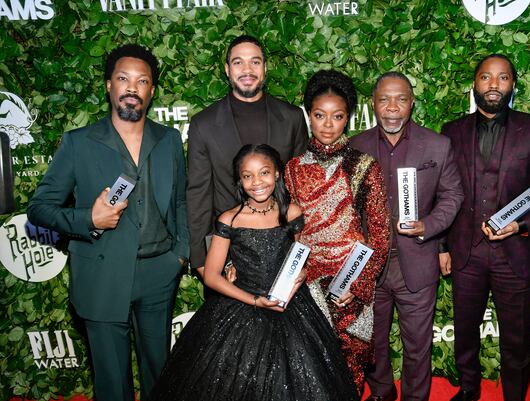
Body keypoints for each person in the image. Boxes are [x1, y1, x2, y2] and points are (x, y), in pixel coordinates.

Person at [27, 44, 189, 401]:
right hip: (101, 275)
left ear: (151, 90)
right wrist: (89, 218)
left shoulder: (169, 140)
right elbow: (39, 208)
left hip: (159, 272)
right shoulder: (78, 143)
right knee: (112, 384)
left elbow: (179, 202)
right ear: (108, 86)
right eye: (123, 79)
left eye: (142, 81)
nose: (132, 88)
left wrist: (179, 255)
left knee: (160, 375)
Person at [150, 144, 359, 401]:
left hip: (292, 307)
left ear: (278, 174)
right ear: (239, 180)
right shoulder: (230, 220)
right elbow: (213, 275)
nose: (256, 182)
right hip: (242, 306)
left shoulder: (292, 213)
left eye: (264, 173)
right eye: (247, 176)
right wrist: (255, 301)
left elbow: (300, 257)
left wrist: (303, 273)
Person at [441, 54, 530, 401]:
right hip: (466, 252)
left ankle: (515, 395)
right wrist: (441, 247)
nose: (493, 84)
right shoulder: (451, 132)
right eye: (485, 77)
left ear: (513, 84)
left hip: (517, 253)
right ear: (475, 83)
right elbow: (442, 193)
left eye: (502, 78)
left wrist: (522, 224)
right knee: (465, 331)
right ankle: (469, 388)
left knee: (517, 336)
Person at [351, 72, 464, 401]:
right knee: (374, 342)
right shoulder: (355, 147)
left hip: (417, 261)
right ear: (373, 104)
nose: (392, 107)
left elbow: (453, 196)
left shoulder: (437, 145)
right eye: (384, 99)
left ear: (412, 103)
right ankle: (383, 393)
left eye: (401, 99)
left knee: (418, 345)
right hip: (371, 267)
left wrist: (428, 225)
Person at [285, 70, 391, 393]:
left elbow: (380, 235)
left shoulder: (363, 165)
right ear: (308, 115)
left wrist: (356, 287)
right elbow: (290, 234)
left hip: (351, 289)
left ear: (348, 118)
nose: (328, 125)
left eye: (337, 116)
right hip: (308, 288)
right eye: (319, 115)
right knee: (313, 379)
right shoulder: (292, 169)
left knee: (351, 376)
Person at [187, 34, 308, 278]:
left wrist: (304, 255)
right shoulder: (204, 124)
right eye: (238, 62)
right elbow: (198, 194)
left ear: (265, 68)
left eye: (255, 62)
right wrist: (201, 260)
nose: (247, 69)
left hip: (284, 253)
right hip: (228, 252)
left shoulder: (292, 118)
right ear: (227, 70)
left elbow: (302, 188)